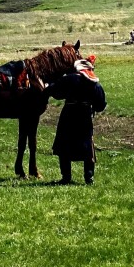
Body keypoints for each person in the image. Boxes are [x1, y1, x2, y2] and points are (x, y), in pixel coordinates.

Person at [48, 56, 107, 184]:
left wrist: (49, 85)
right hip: (85, 116)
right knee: (86, 145)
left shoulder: (69, 79)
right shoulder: (95, 84)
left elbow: (55, 91)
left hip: (69, 113)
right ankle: (89, 176)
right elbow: (100, 105)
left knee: (65, 144)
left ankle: (66, 177)